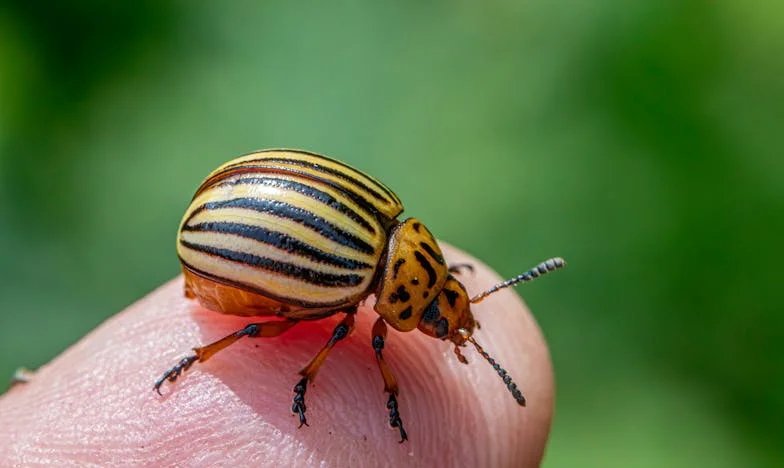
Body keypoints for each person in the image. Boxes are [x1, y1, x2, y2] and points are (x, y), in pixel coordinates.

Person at [0, 244, 554, 466]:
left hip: (237, 231)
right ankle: (199, 357)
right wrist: (389, 393)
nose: (442, 326)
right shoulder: (362, 285)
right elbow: (370, 340)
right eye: (435, 315)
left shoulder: (391, 238)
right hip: (226, 258)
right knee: (264, 334)